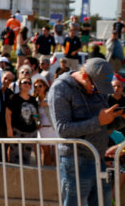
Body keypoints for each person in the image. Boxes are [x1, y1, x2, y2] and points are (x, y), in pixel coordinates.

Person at [49, 58, 124, 206]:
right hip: (74, 162)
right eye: (96, 88)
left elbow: (103, 126)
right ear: (84, 76)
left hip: (99, 159)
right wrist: (98, 121)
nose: (98, 92)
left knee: (104, 202)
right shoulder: (60, 89)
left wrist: (119, 119)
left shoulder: (97, 88)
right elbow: (63, 129)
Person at [5, 75, 39, 164]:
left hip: (31, 132)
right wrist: (9, 129)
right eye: (24, 82)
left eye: (29, 83)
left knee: (26, 158)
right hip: (17, 131)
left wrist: (38, 124)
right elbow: (8, 113)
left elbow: (35, 114)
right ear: (20, 85)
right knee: (14, 157)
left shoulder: (33, 99)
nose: (27, 84)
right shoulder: (14, 98)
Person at [0, 70, 14, 162]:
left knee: (2, 151)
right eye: (5, 78)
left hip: (4, 126)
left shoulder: (10, 94)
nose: (6, 81)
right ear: (1, 78)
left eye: (9, 80)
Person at [34, 77, 56, 166]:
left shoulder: (51, 97)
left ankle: (57, 174)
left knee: (56, 153)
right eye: (35, 86)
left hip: (53, 127)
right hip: (42, 128)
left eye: (40, 86)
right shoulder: (34, 100)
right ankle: (46, 174)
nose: (38, 88)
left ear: (45, 87)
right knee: (45, 152)